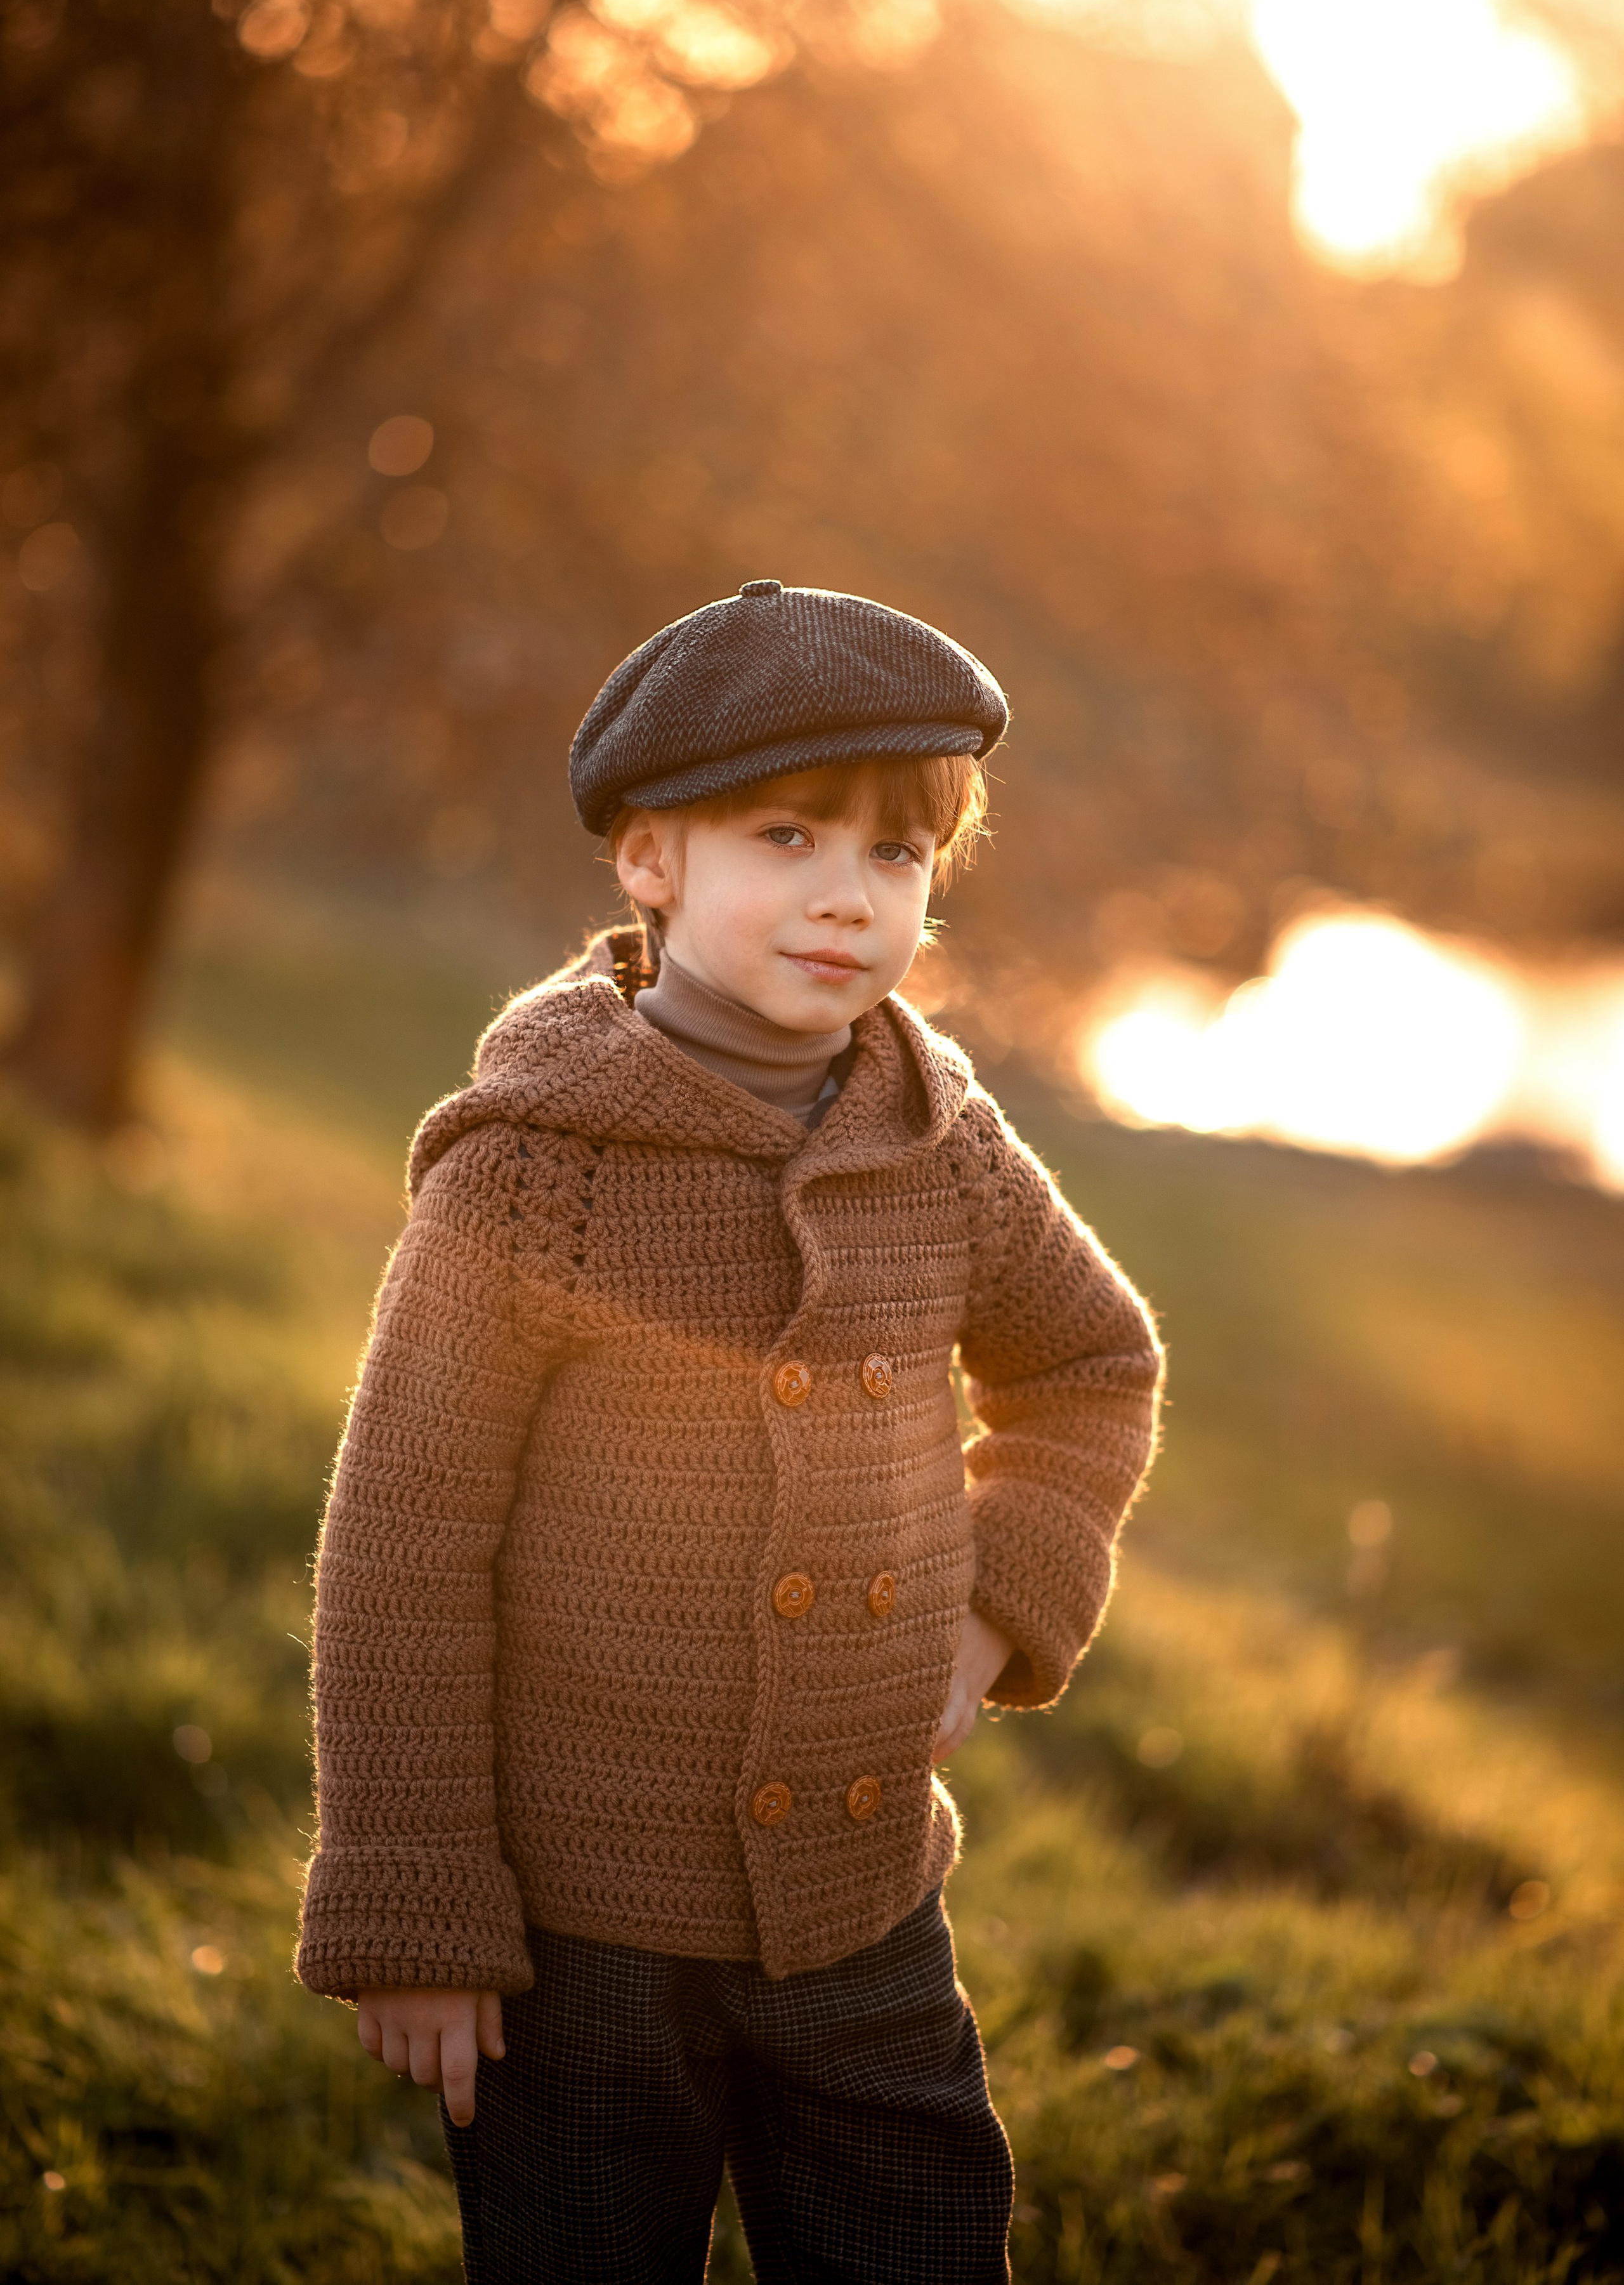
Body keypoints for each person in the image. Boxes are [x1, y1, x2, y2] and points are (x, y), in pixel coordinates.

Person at [296, 579, 1163, 2282]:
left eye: (898, 858)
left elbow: (1089, 1367)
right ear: (650, 858)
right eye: (788, 835)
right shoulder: (536, 1168)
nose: (849, 897)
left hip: (865, 1903)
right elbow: (401, 1543)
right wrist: (414, 1896)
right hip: (577, 1931)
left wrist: (994, 1611)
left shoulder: (944, 1144)